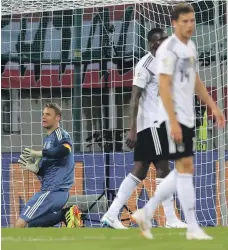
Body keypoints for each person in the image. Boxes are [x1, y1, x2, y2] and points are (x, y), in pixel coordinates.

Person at [131, 3, 225, 240]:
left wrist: (212, 105)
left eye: (192, 21)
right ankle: (190, 227)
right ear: (174, 24)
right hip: (170, 118)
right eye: (185, 21)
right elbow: (163, 87)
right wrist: (172, 121)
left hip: (186, 116)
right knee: (183, 168)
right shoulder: (168, 50)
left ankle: (148, 212)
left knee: (184, 169)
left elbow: (195, 81)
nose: (190, 25)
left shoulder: (189, 46)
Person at [101, 28, 187, 229]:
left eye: (164, 38)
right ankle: (171, 220)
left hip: (157, 124)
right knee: (163, 168)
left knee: (140, 170)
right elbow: (134, 98)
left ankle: (111, 214)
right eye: (159, 40)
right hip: (151, 125)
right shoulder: (145, 65)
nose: (163, 42)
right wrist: (132, 129)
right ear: (151, 44)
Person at [15, 103, 82, 228]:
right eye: (43, 114)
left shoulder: (60, 134)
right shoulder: (48, 139)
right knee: (32, 226)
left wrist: (39, 153)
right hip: (56, 193)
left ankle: (64, 213)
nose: (43, 117)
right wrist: (37, 170)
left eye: (48, 114)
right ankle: (64, 213)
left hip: (52, 191)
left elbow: (65, 149)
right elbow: (52, 168)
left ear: (58, 118)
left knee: (19, 224)